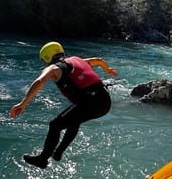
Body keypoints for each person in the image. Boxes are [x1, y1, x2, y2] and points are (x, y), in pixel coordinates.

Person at [10, 41, 117, 169]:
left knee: (55, 125)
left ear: (47, 58)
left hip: (91, 101)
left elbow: (39, 81)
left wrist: (23, 103)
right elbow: (98, 60)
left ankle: (42, 159)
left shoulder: (53, 68)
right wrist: (107, 70)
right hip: (105, 101)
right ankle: (58, 153)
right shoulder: (77, 60)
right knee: (74, 120)